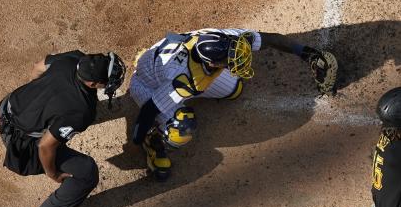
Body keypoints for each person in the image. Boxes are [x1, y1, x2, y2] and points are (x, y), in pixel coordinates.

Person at [128, 27, 337, 180]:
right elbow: (149, 109)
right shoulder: (183, 81)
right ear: (211, 63)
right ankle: (153, 142)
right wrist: (137, 139)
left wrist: (306, 52)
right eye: (229, 60)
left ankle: (150, 60)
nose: (238, 59)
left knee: (234, 89)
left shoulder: (225, 39)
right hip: (148, 84)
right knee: (182, 126)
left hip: (177, 64)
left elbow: (270, 39)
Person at [0, 50, 126, 207]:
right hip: (21, 144)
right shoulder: (81, 111)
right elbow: (45, 146)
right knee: (86, 171)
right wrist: (53, 173)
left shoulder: (74, 57)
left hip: (6, 108)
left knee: (54, 103)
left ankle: (44, 108)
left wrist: (40, 97)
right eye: (106, 79)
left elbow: (38, 67)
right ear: (92, 84)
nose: (111, 81)